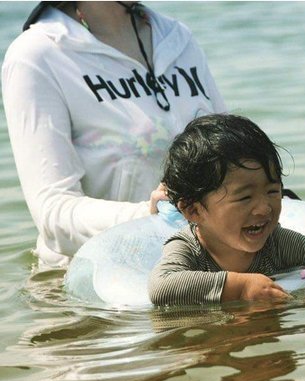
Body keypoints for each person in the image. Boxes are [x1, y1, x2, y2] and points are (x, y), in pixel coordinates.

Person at [2, 2, 226, 268]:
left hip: (201, 266)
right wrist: (149, 216)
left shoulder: (178, 38)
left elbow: (231, 155)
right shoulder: (37, 55)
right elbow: (53, 213)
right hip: (96, 290)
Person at [148, 114, 305, 306]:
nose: (265, 208)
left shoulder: (276, 243)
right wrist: (240, 287)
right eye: (245, 197)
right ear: (194, 211)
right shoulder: (188, 249)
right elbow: (162, 286)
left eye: (273, 192)